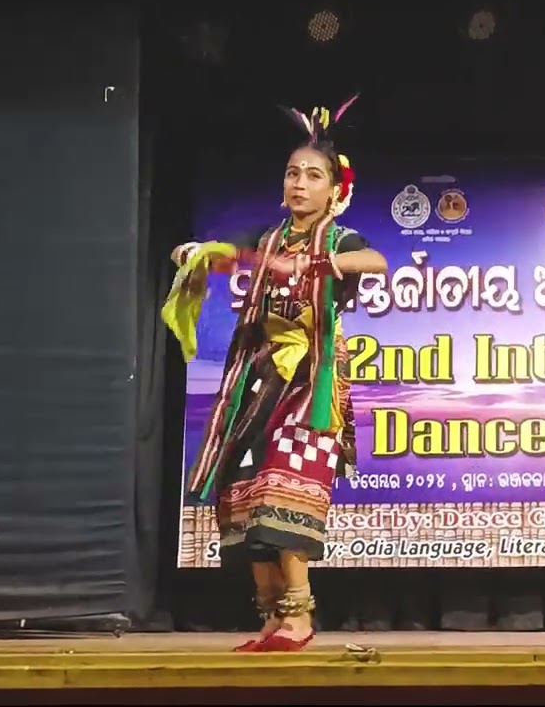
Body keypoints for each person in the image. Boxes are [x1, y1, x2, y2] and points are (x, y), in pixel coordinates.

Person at [163, 95, 388, 653]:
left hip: (311, 381)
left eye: (313, 175)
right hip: (261, 379)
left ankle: (299, 619)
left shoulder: (338, 239)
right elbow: (222, 255)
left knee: (283, 490)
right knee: (245, 496)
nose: (299, 183)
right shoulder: (267, 241)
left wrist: (319, 263)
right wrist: (196, 254)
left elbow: (377, 262)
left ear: (334, 191)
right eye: (292, 173)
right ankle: (270, 618)